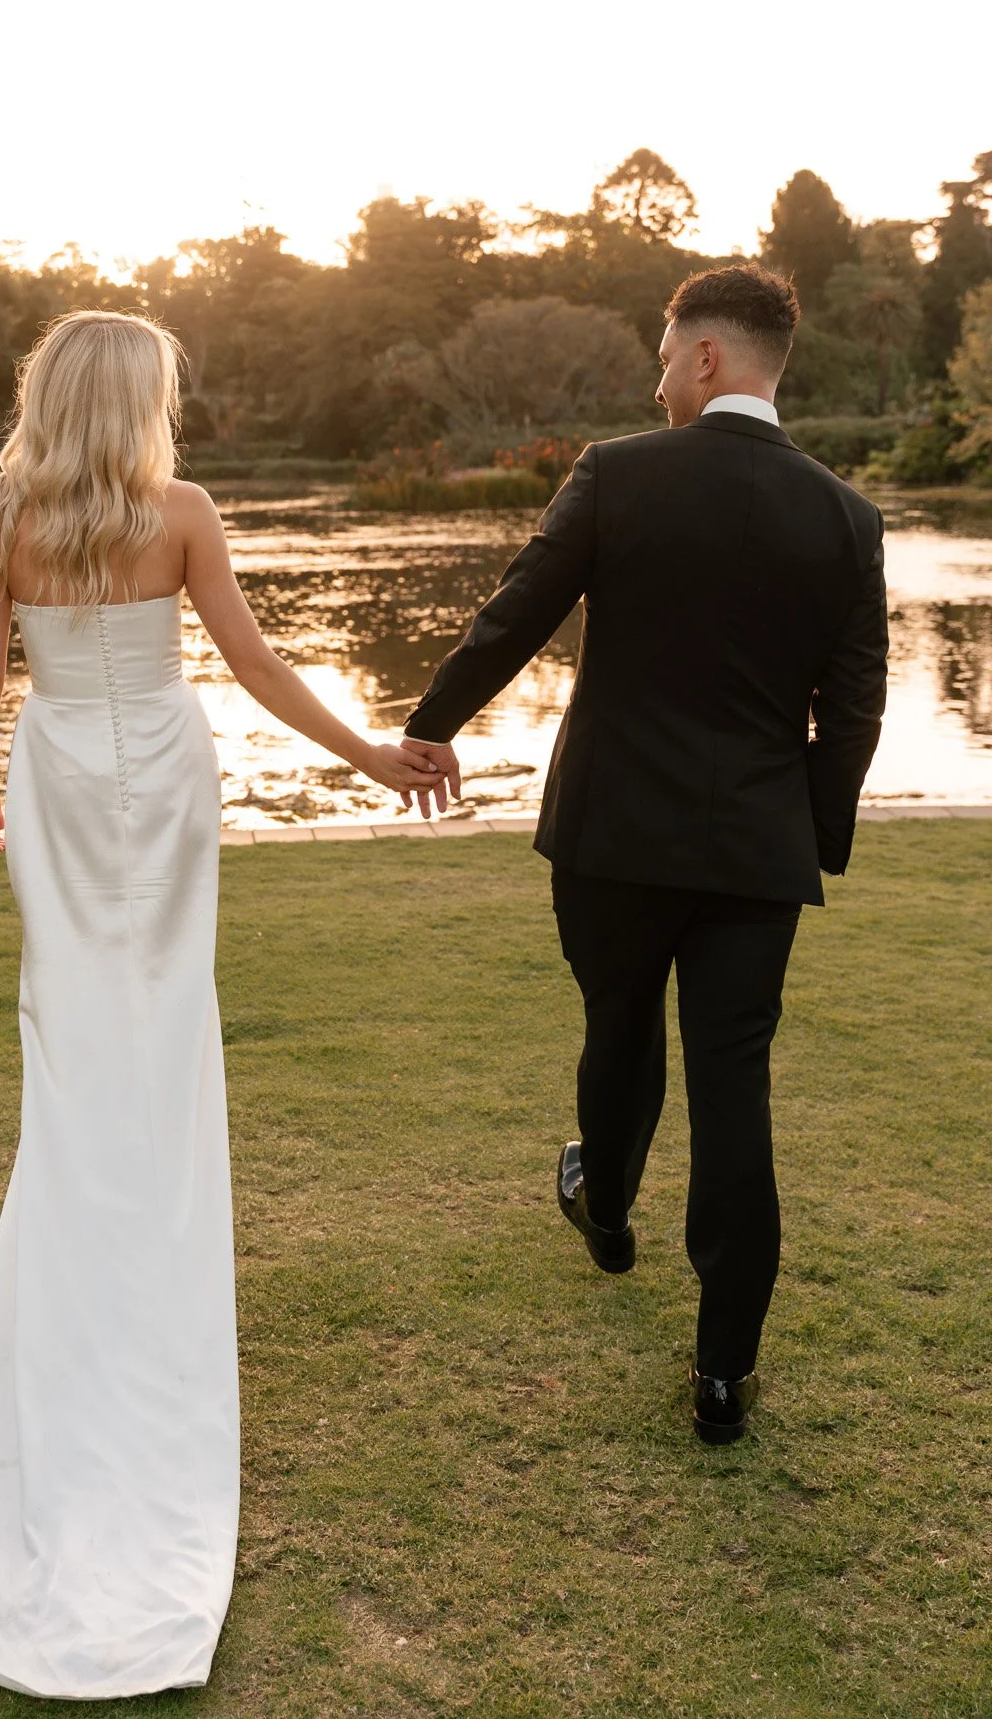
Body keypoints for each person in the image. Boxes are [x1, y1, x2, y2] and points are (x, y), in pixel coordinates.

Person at [0, 311, 441, 1698]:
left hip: (63, 775)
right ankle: (145, 1242)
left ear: (47, 394)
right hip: (165, 774)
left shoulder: (1, 506)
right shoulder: (179, 511)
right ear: (141, 400)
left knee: (69, 1040)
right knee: (160, 1026)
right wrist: (369, 752)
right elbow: (248, 665)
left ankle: (86, 1230)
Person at [399, 264, 887, 1444]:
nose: (655, 374)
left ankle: (606, 1206)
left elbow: (515, 612)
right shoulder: (846, 516)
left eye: (665, 353)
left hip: (613, 836)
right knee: (736, 1087)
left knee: (617, 1026)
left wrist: (429, 725)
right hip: (756, 855)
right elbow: (856, 708)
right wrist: (804, 835)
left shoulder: (617, 473)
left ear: (708, 357)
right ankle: (722, 1372)